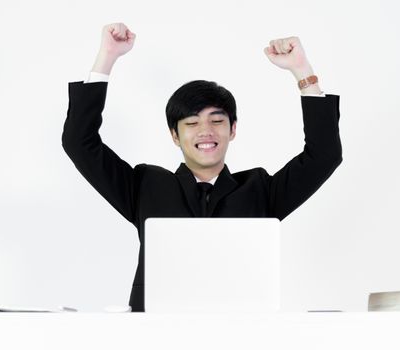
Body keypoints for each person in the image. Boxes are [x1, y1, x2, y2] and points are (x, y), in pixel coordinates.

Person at [62, 22, 343, 312]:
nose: (205, 131)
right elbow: (80, 143)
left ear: (233, 129)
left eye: (217, 121)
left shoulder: (260, 190)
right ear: (175, 135)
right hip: (157, 332)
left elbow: (324, 155)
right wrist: (106, 58)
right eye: (192, 123)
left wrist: (302, 72)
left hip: (243, 330)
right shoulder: (144, 186)